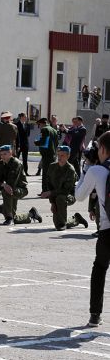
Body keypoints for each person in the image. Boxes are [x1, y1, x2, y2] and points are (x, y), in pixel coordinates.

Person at [75, 131, 110, 327]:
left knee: (100, 268)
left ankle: (95, 314)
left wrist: (86, 170)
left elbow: (79, 195)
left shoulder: (97, 171)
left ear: (103, 149)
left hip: (107, 229)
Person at [0, 145, 41, 226]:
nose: (2, 156)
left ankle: (8, 217)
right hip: (10, 188)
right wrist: (0, 185)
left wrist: (3, 186)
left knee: (6, 191)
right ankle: (31, 214)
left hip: (21, 189)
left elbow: (12, 182)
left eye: (5, 154)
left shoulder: (16, 163)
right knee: (15, 218)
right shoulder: (1, 164)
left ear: (10, 153)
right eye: (1, 154)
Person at [40, 146, 88, 231]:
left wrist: (50, 193)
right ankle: (76, 219)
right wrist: (52, 203)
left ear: (68, 156)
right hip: (55, 195)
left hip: (70, 195)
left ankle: (63, 224)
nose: (59, 157)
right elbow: (49, 185)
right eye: (58, 155)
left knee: (60, 198)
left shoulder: (70, 170)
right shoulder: (52, 167)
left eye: (62, 155)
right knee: (57, 224)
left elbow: (65, 191)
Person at [35, 117, 58, 195]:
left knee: (45, 174)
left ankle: (45, 191)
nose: (39, 127)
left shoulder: (44, 129)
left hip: (47, 155)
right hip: (53, 154)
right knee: (51, 174)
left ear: (42, 123)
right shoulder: (54, 130)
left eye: (39, 125)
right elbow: (57, 143)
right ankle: (49, 191)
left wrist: (36, 142)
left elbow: (43, 142)